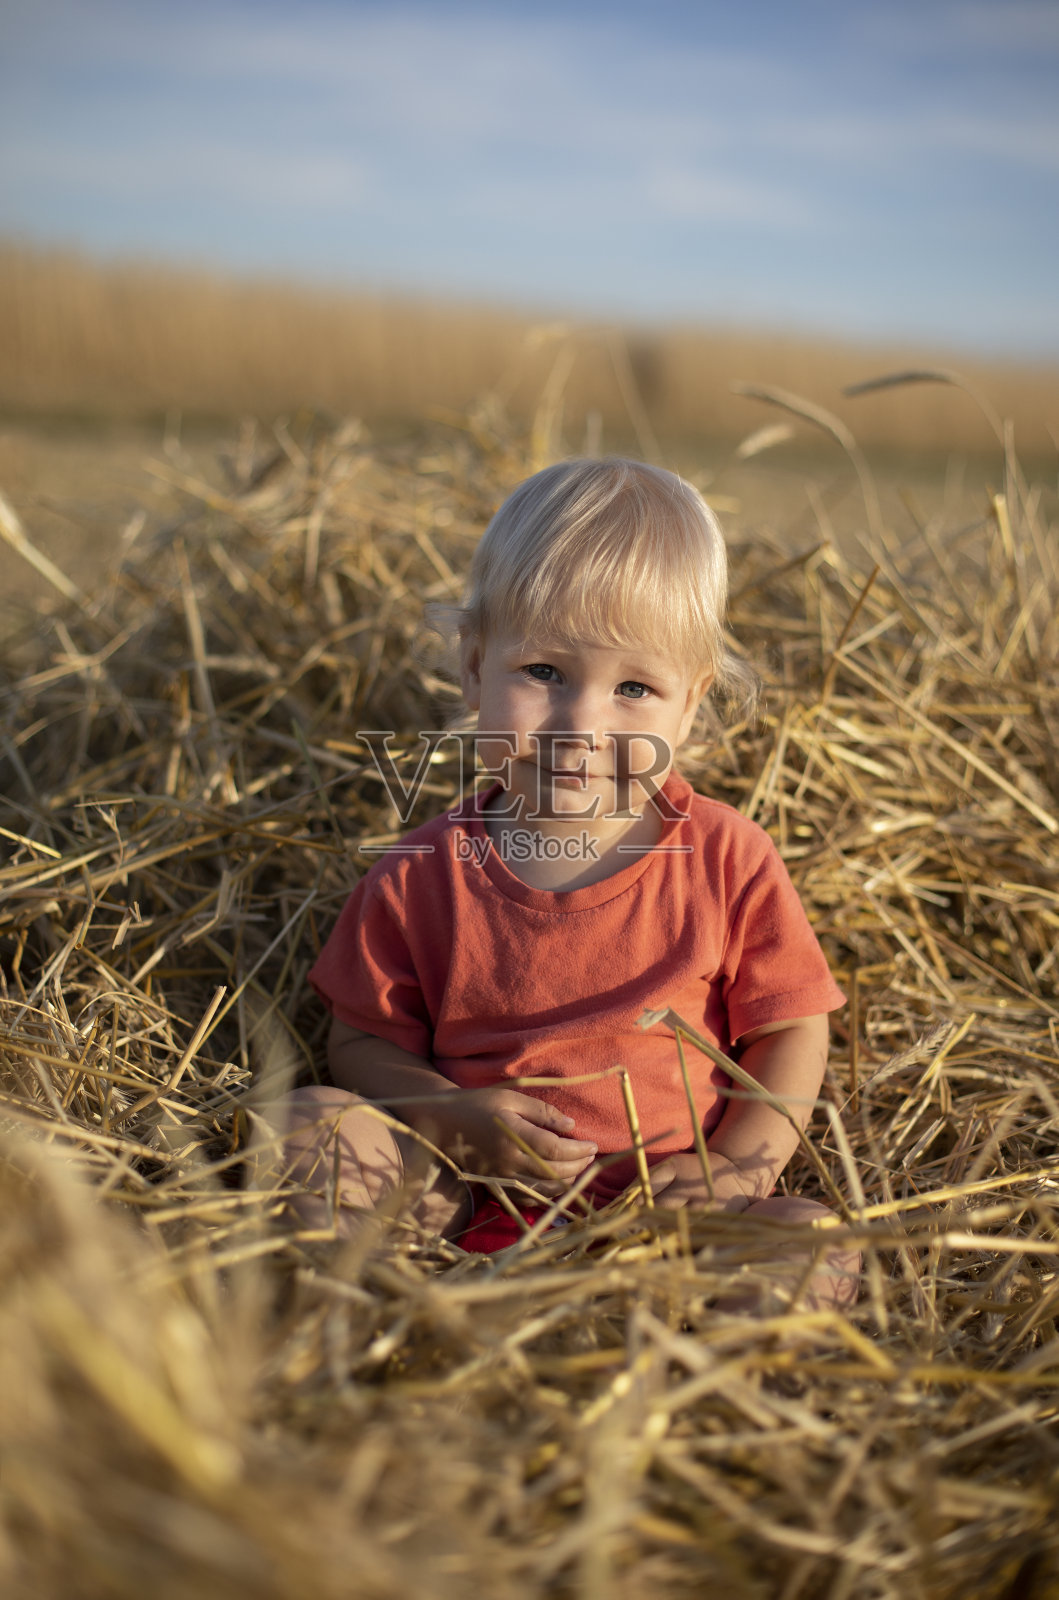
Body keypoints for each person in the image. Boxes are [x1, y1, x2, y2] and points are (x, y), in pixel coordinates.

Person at [276, 458, 858, 1310]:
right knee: (304, 1121)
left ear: (689, 706)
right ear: (474, 669)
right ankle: (377, 1320)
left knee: (808, 1242)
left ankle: (724, 1396)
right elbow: (361, 1043)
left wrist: (736, 1165)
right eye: (543, 672)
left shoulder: (727, 858)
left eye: (634, 688)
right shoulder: (420, 875)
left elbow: (791, 1031)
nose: (580, 725)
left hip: (670, 1224)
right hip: (462, 1202)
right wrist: (445, 1116)